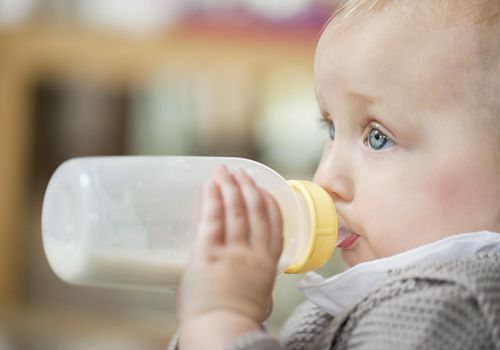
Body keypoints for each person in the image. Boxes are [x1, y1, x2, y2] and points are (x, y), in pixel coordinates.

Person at [170, 0, 500, 349]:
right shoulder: (377, 292)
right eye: (330, 128)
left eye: (378, 137)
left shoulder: (451, 309)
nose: (325, 179)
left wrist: (220, 317)